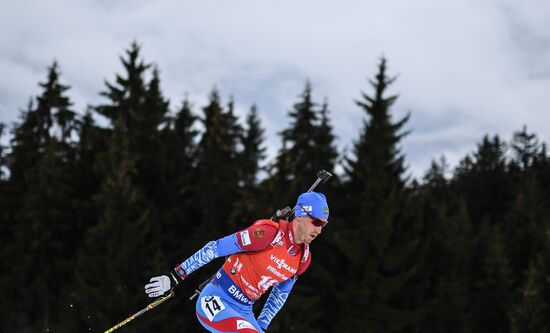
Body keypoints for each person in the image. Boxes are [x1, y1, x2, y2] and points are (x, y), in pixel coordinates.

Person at [144, 192, 330, 332]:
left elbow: (280, 295)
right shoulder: (267, 234)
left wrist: (262, 326)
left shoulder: (303, 259)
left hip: (244, 311)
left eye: (324, 224)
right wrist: (175, 277)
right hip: (217, 298)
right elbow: (215, 248)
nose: (320, 230)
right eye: (316, 222)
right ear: (300, 215)